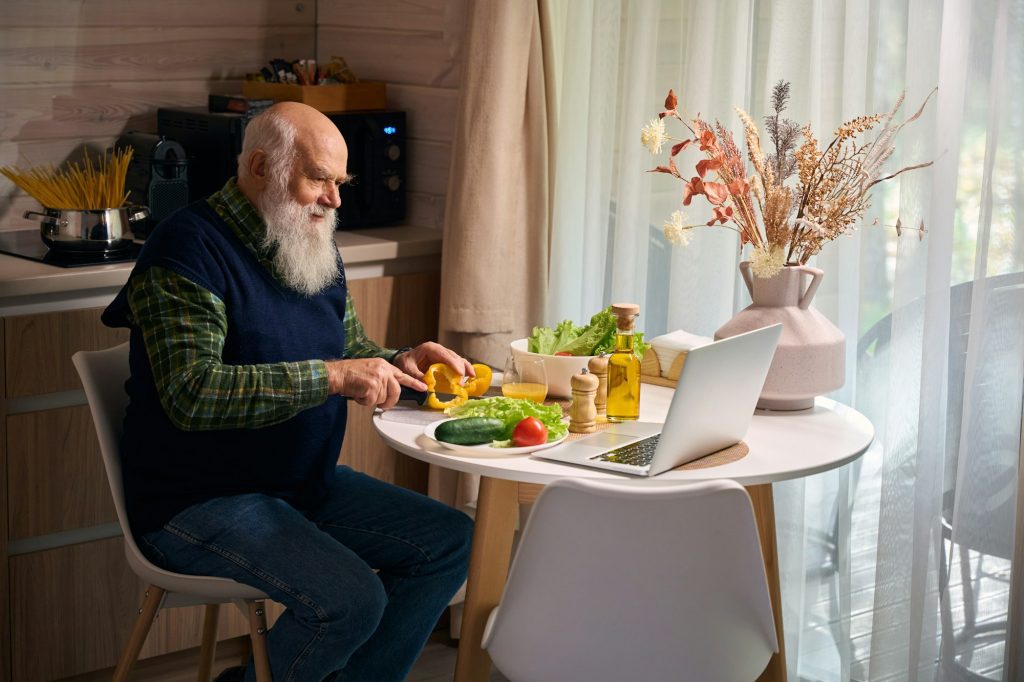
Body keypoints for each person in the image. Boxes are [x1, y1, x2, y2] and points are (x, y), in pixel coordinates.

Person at [102, 102, 475, 682]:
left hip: (300, 486)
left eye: (340, 182)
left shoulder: (309, 241)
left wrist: (401, 362)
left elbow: (349, 348)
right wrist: (333, 376)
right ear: (259, 166)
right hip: (197, 500)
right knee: (350, 602)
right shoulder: (185, 250)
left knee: (450, 542)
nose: (335, 199)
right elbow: (193, 393)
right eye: (319, 179)